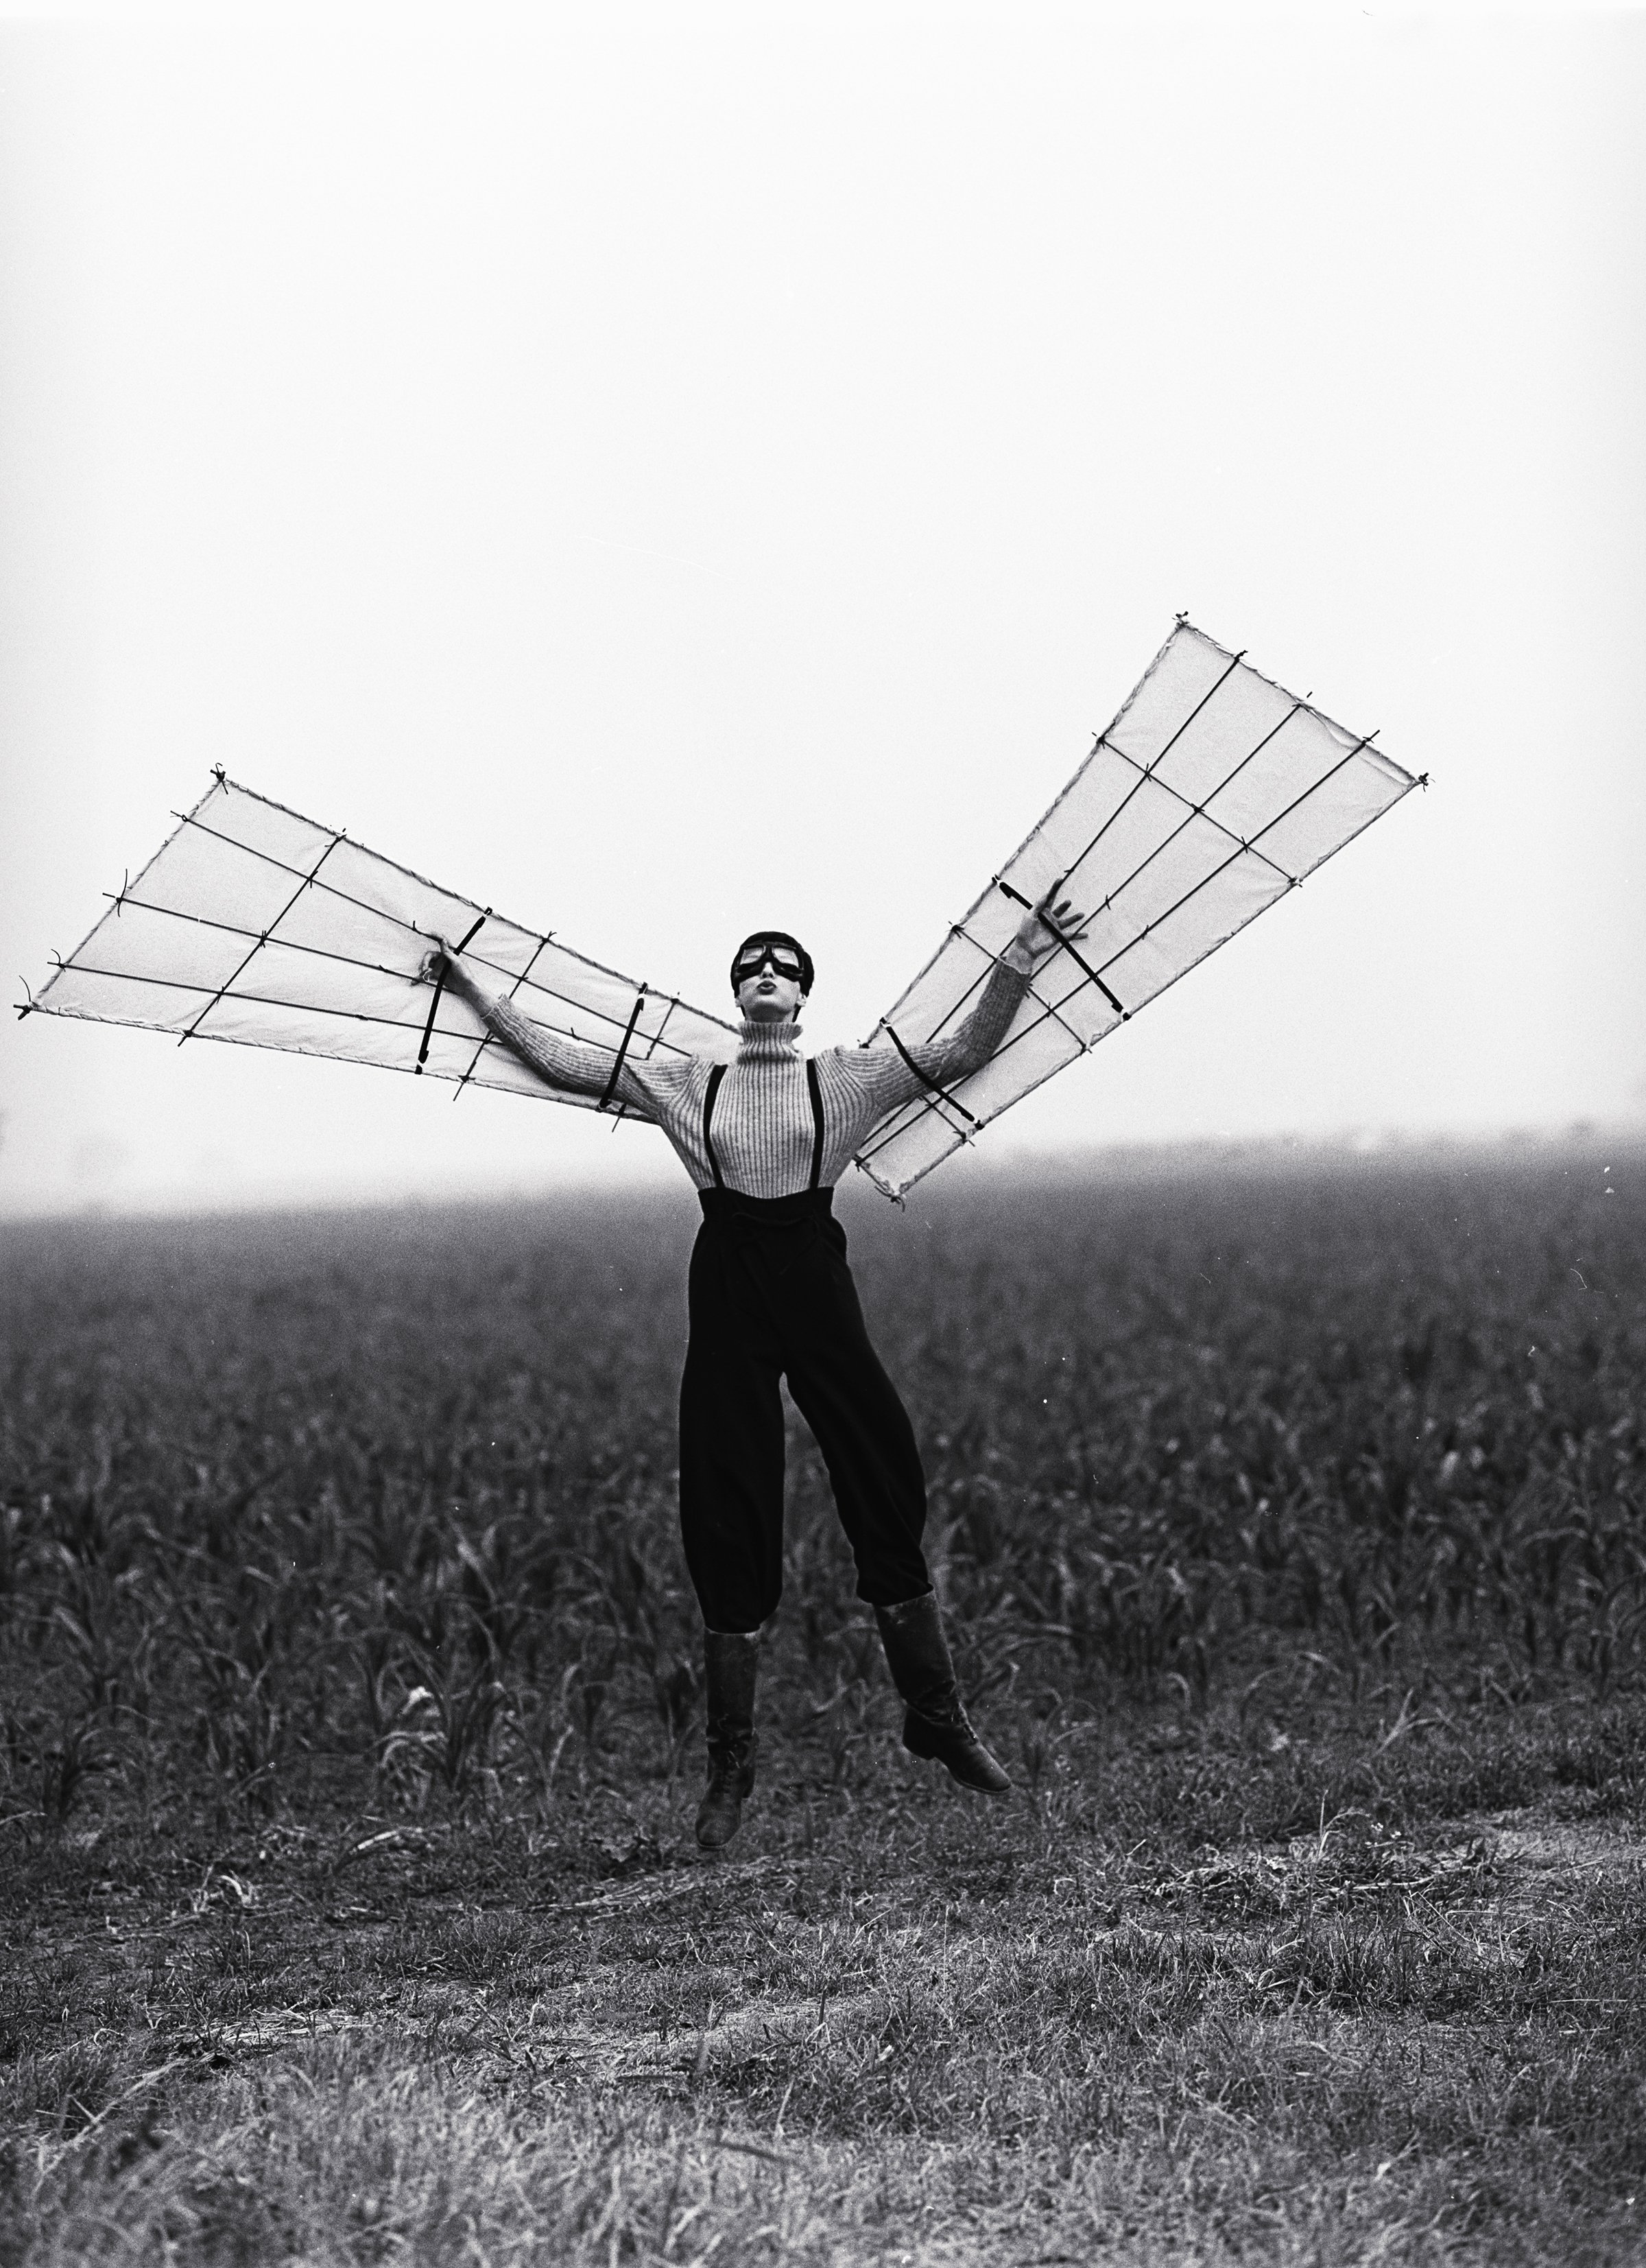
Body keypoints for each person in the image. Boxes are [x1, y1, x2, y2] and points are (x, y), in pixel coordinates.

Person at [420, 890, 1088, 1849]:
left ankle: (935, 1715)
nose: (765, 970)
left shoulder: (848, 1077)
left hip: (815, 1285)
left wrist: (1019, 957)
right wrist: (473, 990)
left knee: (883, 1465)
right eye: (750, 963)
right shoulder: (691, 1083)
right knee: (728, 1508)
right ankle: (729, 1772)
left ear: (804, 995)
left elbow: (963, 1052)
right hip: (729, 1292)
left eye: (784, 963)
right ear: (737, 993)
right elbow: (559, 1063)